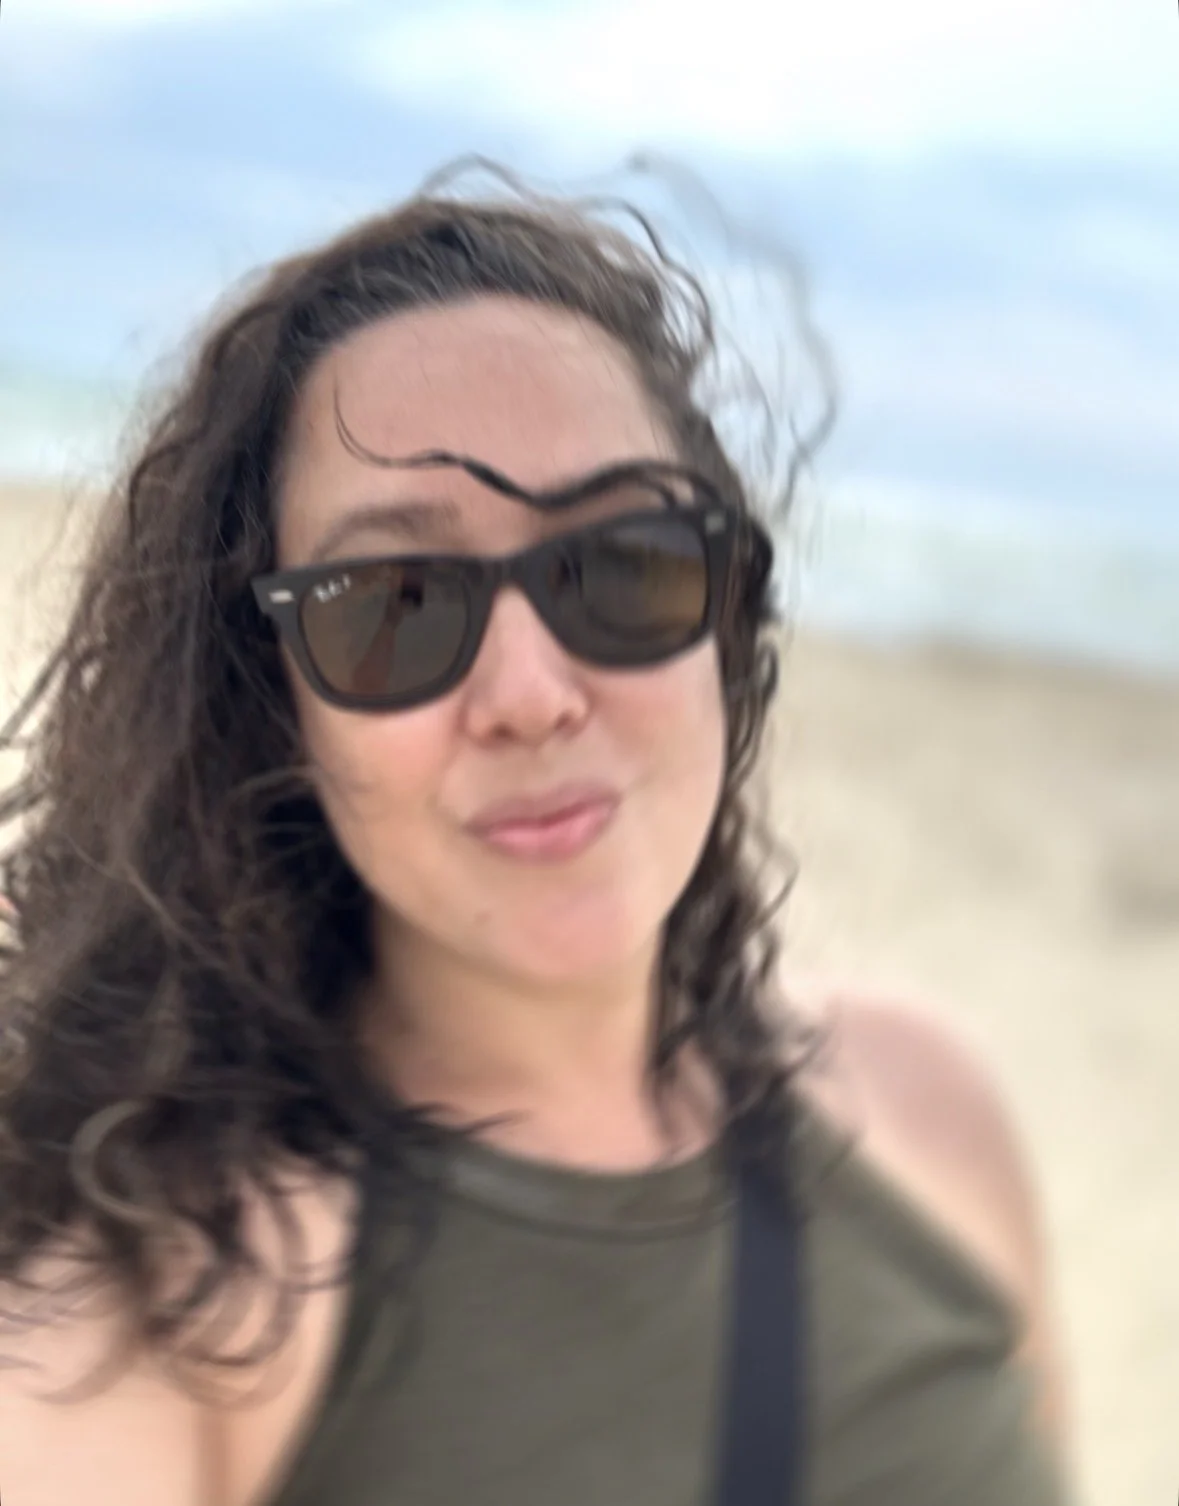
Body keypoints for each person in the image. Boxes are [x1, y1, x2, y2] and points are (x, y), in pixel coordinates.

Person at [0, 167, 1073, 1505]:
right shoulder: (181, 1304)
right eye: (392, 601)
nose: (529, 692)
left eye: (622, 560)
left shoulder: (929, 1116)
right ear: (275, 707)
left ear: (729, 615)